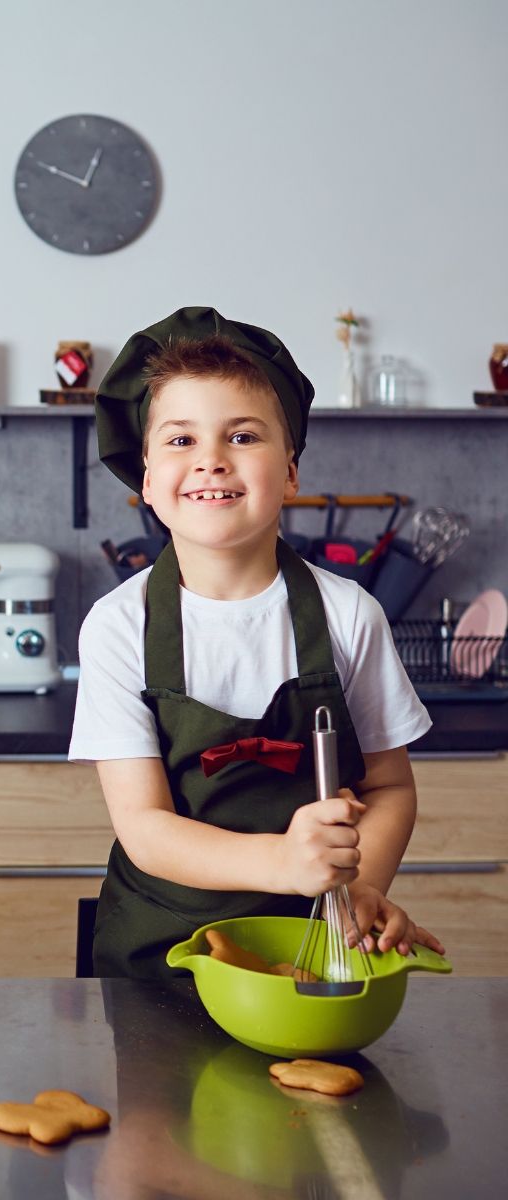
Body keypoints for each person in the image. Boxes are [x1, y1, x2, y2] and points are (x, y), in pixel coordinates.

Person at [71, 307, 444, 977]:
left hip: (310, 948)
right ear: (147, 482)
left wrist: (363, 886)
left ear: (292, 473)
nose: (212, 459)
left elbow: (390, 788)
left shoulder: (349, 617)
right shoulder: (118, 626)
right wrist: (280, 860)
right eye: (181, 441)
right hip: (157, 959)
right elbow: (145, 827)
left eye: (242, 436)